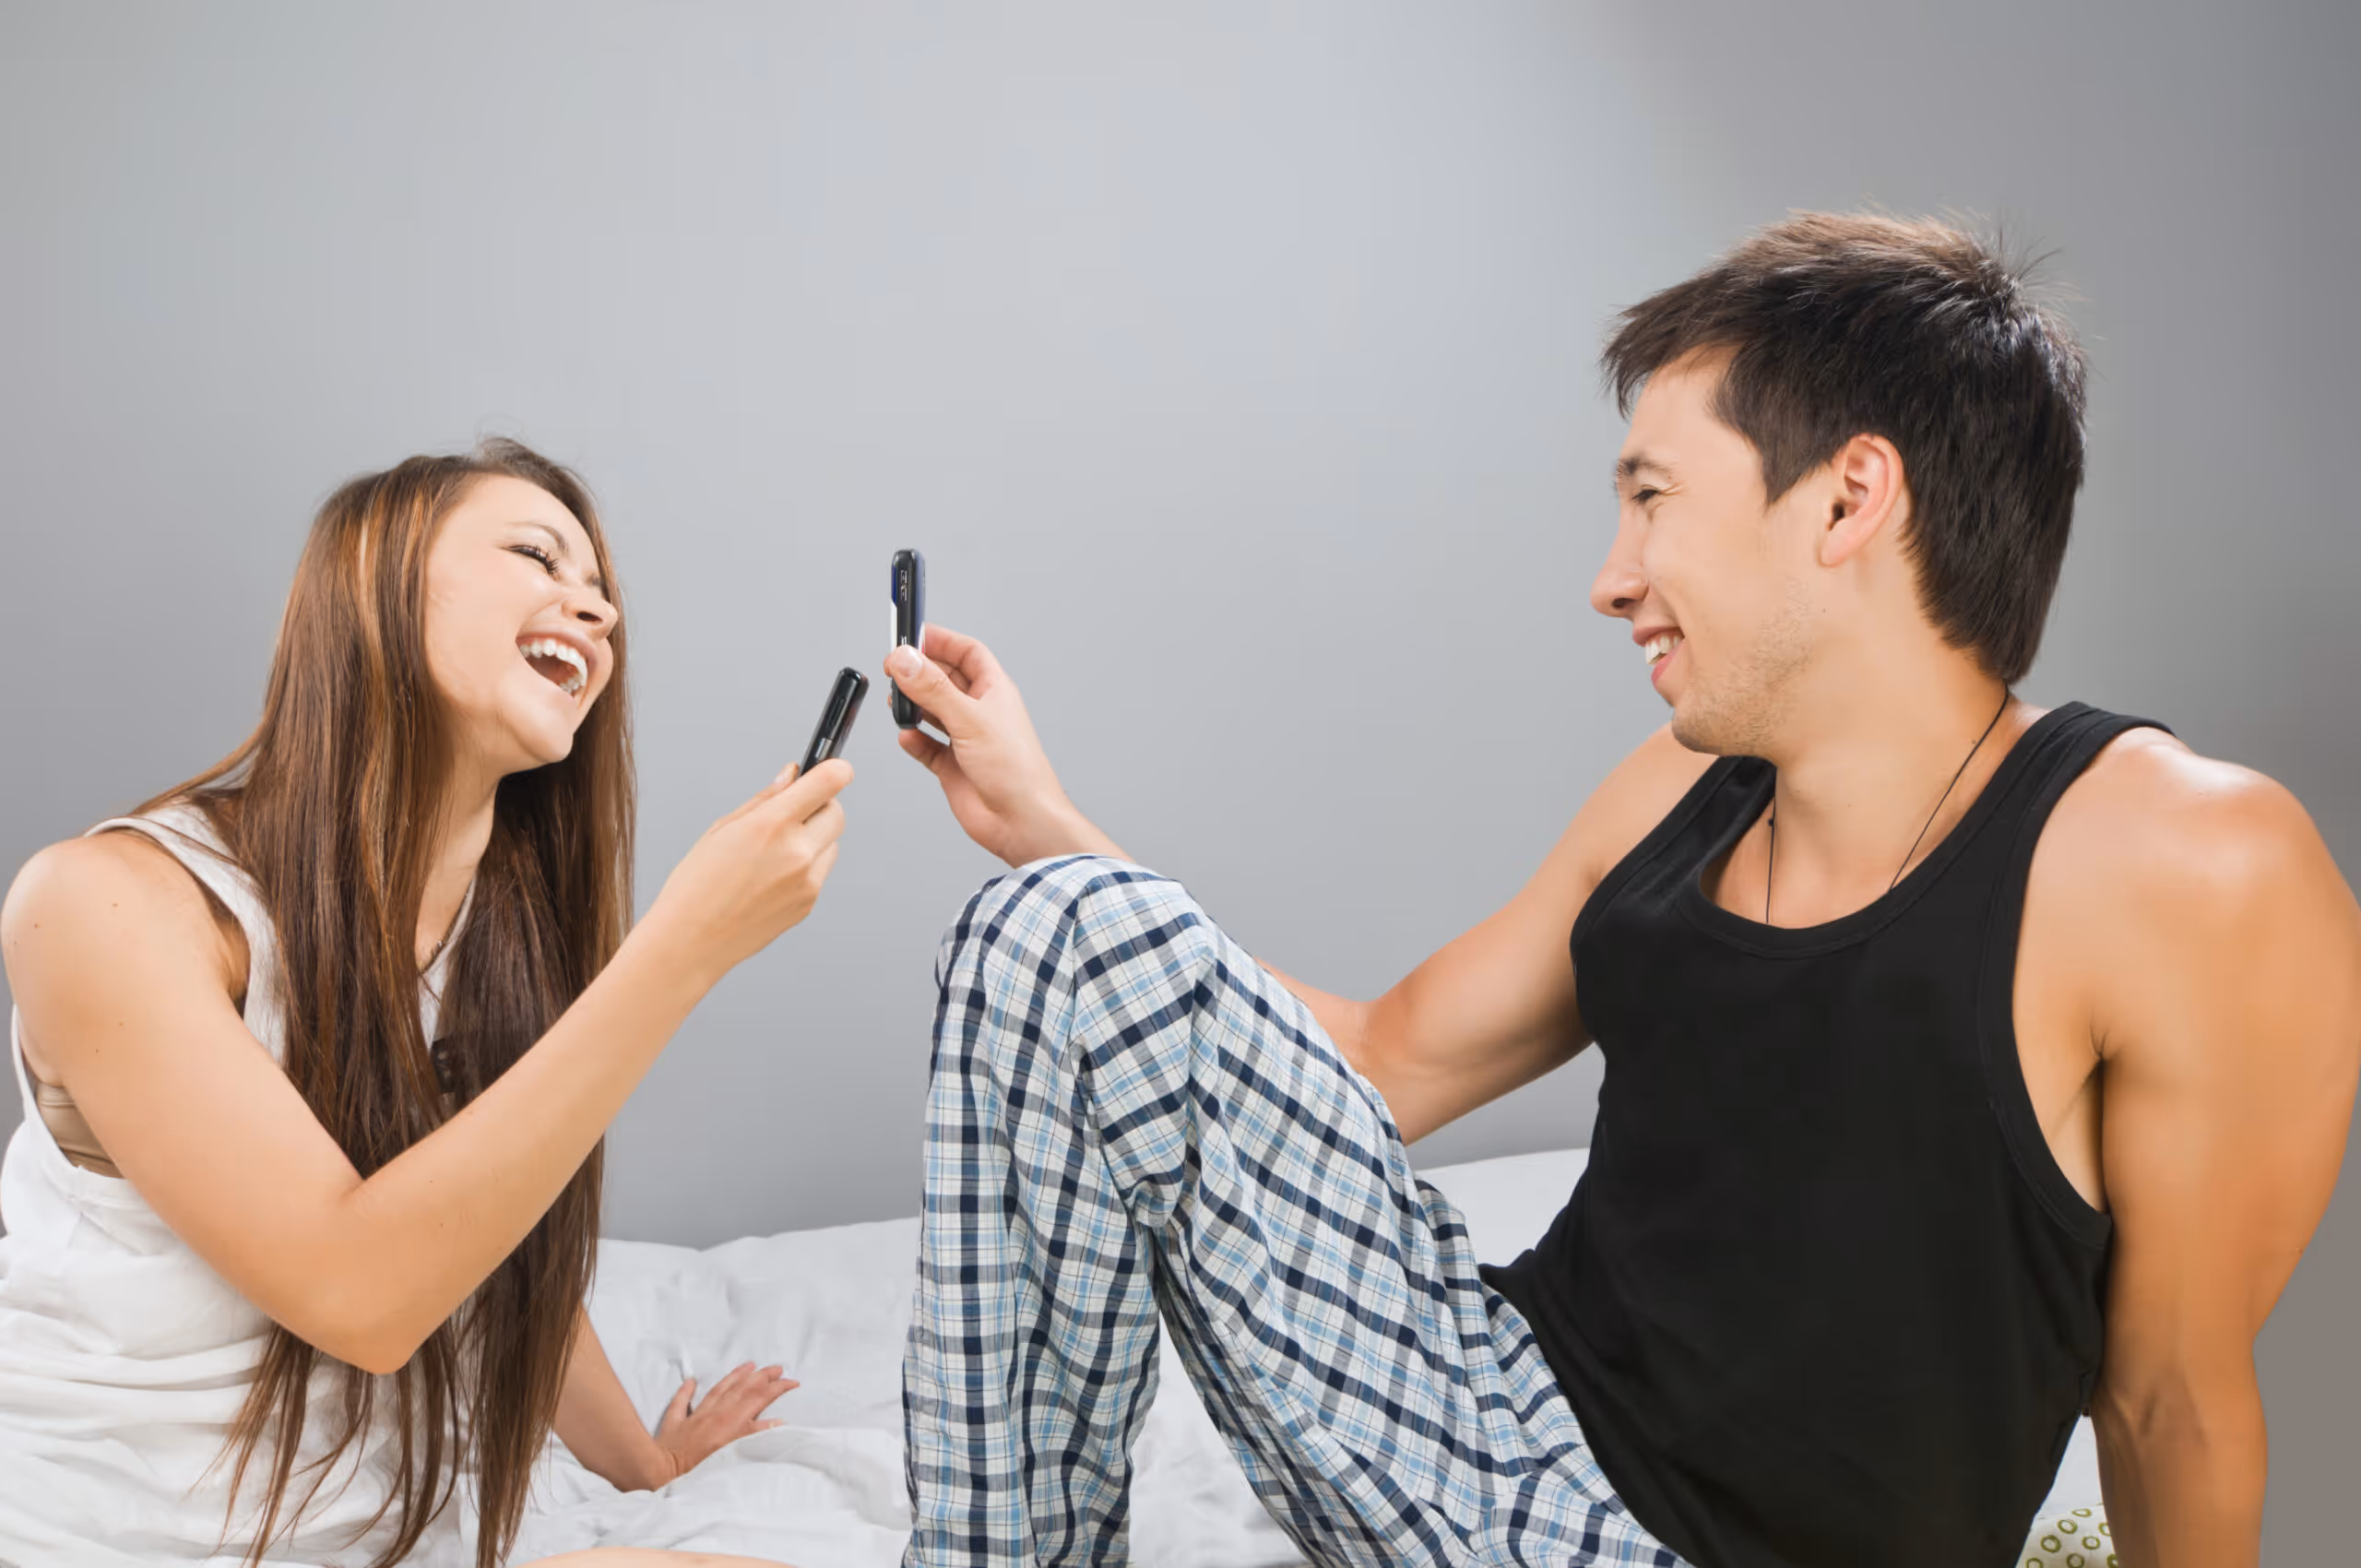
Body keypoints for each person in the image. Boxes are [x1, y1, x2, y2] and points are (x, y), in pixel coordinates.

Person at [881, 214, 2361, 1567]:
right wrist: (1050, 826)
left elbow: (2170, 1405)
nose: (1612, 574)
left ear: (1851, 499)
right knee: (1056, 933)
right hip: (1481, 1420)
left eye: (1653, 497)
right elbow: (1380, 1067)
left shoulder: (2186, 861)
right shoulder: (1682, 788)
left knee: (1071, 924)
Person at [0, 441, 849, 1568]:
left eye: (602, 594)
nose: (591, 609)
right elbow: (361, 1292)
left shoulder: (494, 933)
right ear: (380, 582)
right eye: (537, 554)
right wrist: (680, 953)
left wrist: (646, 1467)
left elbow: (484, 1238)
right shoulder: (102, 903)